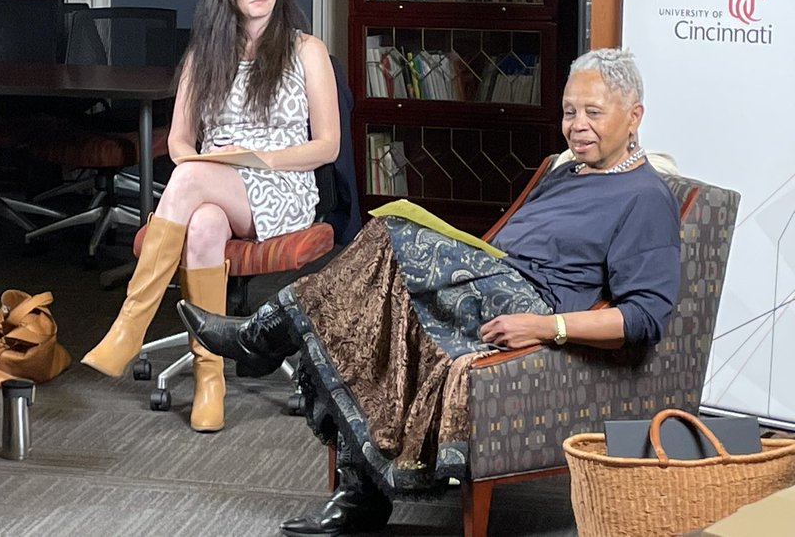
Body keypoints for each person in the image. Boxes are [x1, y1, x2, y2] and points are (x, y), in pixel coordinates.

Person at [178, 47, 681, 536]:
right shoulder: (566, 169)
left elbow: (643, 318)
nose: (577, 125)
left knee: (394, 231)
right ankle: (361, 495)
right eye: (570, 112)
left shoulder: (644, 197)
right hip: (493, 275)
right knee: (365, 317)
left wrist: (547, 327)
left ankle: (264, 334)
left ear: (634, 116)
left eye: (594, 113)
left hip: (534, 302)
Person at [82, 0, 340, 433]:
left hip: (282, 184)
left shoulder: (306, 50)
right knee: (200, 225)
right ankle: (210, 378)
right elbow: (179, 143)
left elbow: (327, 145)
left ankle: (130, 325)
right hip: (215, 183)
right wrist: (214, 162)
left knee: (190, 179)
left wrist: (257, 159)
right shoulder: (205, 55)